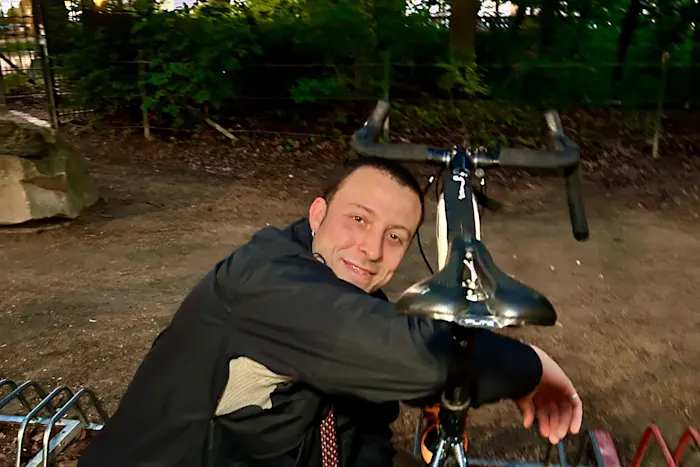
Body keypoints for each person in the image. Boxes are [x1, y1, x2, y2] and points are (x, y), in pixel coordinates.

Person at [77, 156, 583, 467]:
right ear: (317, 214)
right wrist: (531, 366)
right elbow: (417, 360)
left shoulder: (359, 303)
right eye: (358, 219)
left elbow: (362, 426)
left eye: (395, 236)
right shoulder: (265, 281)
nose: (371, 249)